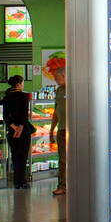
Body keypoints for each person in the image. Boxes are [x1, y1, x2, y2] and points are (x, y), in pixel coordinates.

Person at [2, 74, 34, 189]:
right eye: (22, 82)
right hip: (23, 130)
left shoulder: (6, 97)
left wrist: (13, 127)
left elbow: (5, 115)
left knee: (15, 156)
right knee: (23, 156)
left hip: (11, 130)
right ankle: (23, 181)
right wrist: (20, 128)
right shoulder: (24, 96)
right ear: (19, 84)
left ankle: (16, 182)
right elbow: (24, 116)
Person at [50, 66, 67, 196]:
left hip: (76, 131)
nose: (55, 79)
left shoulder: (75, 89)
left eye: (57, 77)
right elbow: (56, 112)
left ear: (65, 76)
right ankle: (62, 186)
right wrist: (51, 130)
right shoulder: (59, 91)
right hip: (62, 130)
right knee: (62, 159)